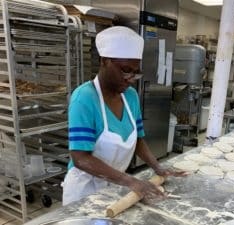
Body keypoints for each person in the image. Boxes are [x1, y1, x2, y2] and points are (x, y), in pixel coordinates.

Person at [62, 26, 186, 206]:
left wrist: (158, 167)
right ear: (105, 61)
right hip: (84, 191)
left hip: (114, 185)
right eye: (125, 70)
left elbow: (138, 140)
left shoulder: (130, 96)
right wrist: (131, 181)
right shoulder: (84, 98)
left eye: (135, 72)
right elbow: (80, 158)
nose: (130, 78)